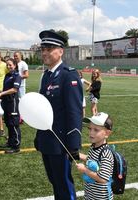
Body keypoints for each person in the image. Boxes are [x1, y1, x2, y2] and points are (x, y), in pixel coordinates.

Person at [34, 30, 83, 200]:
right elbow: (42, 109)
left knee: (63, 184)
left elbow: (74, 111)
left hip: (62, 143)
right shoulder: (46, 75)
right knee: (54, 181)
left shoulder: (68, 75)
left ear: (61, 51)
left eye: (50, 48)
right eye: (43, 49)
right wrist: (38, 136)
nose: (45, 52)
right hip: (47, 140)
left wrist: (74, 143)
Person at [76, 112, 114, 200]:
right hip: (90, 194)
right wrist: (78, 155)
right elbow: (92, 159)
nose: (91, 132)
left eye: (96, 130)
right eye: (90, 128)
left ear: (107, 133)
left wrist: (85, 170)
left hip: (101, 197)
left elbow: (103, 178)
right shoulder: (94, 146)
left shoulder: (106, 153)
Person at [0, 58, 22, 154]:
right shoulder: (7, 75)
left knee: (14, 124)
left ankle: (16, 146)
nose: (8, 66)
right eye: (7, 65)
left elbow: (14, 89)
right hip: (6, 102)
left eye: (10, 65)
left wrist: (1, 94)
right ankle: (10, 142)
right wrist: (0, 93)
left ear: (15, 65)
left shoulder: (17, 76)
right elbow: (6, 89)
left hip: (12, 103)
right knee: (8, 123)